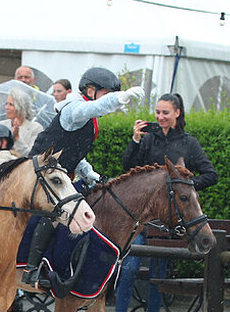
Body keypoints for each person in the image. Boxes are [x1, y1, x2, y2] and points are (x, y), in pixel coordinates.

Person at [108, 93, 218, 312]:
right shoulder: (150, 140)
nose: (160, 117)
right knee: (130, 267)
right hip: (145, 217)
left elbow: (211, 174)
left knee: (158, 269)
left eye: (165, 112)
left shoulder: (189, 143)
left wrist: (185, 187)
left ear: (177, 113)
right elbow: (129, 169)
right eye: (157, 112)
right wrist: (135, 141)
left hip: (169, 220)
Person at [22, 67, 145, 289]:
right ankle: (31, 270)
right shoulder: (74, 109)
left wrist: (89, 174)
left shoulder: (88, 118)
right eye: (106, 93)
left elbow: (73, 153)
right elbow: (95, 106)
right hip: (38, 172)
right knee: (56, 212)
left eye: (111, 94)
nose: (108, 99)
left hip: (57, 176)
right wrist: (120, 98)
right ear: (90, 90)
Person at [0, 88, 43, 158]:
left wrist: (17, 139)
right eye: (6, 104)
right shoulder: (0, 126)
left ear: (21, 107)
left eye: (11, 105)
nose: (6, 107)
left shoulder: (35, 128)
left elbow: (31, 155)